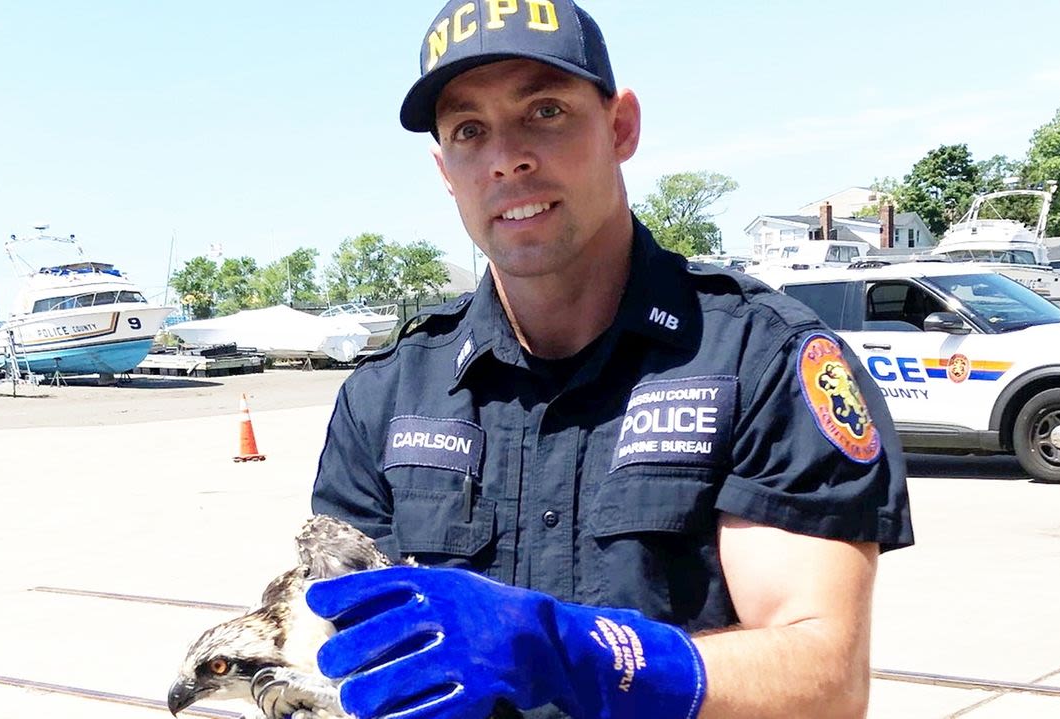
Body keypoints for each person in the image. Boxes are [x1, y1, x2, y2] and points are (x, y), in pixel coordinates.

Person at [306, 1, 913, 718]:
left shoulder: (761, 359)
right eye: (469, 130)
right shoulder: (386, 397)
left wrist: (578, 653)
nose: (507, 157)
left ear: (620, 126)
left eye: (546, 111)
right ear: (445, 169)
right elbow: (352, 659)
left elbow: (825, 680)